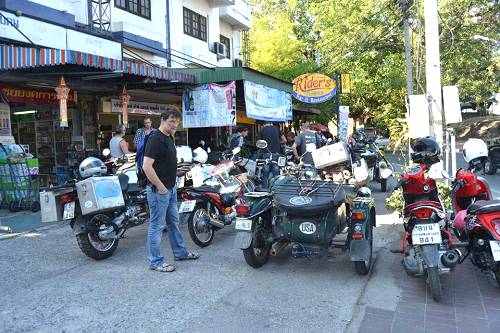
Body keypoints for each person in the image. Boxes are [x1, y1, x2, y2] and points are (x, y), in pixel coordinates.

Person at [142, 106, 199, 272]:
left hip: (170, 188)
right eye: (171, 121)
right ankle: (156, 262)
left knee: (174, 223)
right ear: (163, 120)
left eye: (177, 122)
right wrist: (161, 187)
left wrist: (177, 173)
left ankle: (180, 252)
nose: (174, 125)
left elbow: (164, 163)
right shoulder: (155, 138)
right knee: (156, 226)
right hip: (159, 191)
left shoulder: (168, 138)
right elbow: (147, 166)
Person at [257, 122, 282, 188]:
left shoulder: (262, 130)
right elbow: (284, 140)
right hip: (276, 154)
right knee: (276, 171)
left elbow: (258, 144)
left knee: (265, 172)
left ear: (264, 124)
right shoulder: (277, 129)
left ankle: (265, 188)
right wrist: (278, 144)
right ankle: (276, 188)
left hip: (266, 154)